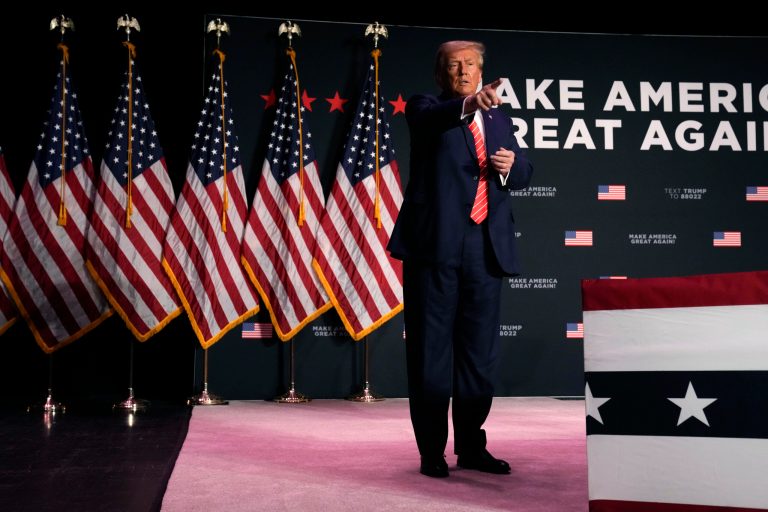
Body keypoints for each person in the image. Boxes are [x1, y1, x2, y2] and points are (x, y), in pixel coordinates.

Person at [388, 40, 533, 478]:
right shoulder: (425, 107)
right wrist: (470, 103)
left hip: (486, 249)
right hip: (435, 249)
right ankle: (431, 451)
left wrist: (511, 166)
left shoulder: (500, 118)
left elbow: (525, 170)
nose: (464, 70)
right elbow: (435, 120)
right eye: (455, 65)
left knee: (478, 357)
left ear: (482, 68)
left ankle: (471, 446)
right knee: (431, 356)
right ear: (441, 74)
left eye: (471, 64)